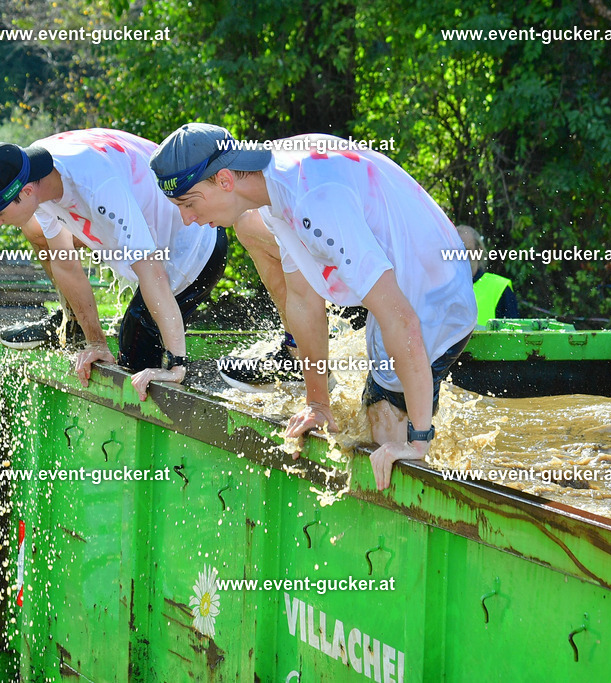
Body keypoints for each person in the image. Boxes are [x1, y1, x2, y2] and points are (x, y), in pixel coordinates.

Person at [150, 124, 477, 491]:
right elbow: (303, 300)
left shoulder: (312, 201)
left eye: (189, 203)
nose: (187, 220)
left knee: (386, 435)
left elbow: (401, 319)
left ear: (224, 180)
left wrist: (418, 440)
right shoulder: (272, 187)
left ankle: (425, 471)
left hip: (436, 292)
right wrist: (318, 404)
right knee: (375, 419)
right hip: (406, 274)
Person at [0, 128, 227, 399]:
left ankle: (187, 377)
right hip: (149, 227)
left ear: (27, 191)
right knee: (37, 234)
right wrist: (96, 343)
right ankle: (70, 324)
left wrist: (176, 364)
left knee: (134, 343)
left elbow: (153, 273)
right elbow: (65, 263)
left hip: (196, 242)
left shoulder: (97, 186)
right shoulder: (30, 171)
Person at [455, 224, 519, 329]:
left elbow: (513, 339)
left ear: (479, 251)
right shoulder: (438, 289)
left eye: (465, 250)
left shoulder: (499, 288)